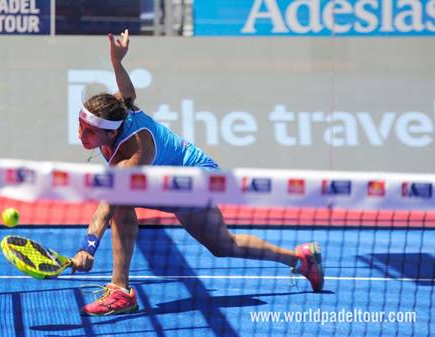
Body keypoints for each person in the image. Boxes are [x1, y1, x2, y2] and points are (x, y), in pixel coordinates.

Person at [71, 29, 324, 316]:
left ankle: (120, 291)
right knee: (223, 245)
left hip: (195, 178)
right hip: (170, 181)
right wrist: (117, 62)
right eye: (81, 126)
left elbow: (108, 202)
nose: (81, 135)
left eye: (89, 131)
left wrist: (88, 247)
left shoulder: (135, 152)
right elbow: (127, 95)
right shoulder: (117, 113)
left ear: (111, 131)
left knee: (119, 201)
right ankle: (302, 259)